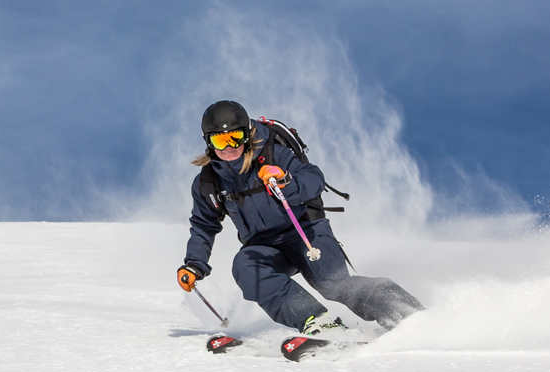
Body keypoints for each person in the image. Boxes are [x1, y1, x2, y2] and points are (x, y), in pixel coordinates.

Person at [176, 100, 422, 334]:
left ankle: (403, 310)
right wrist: (194, 264)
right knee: (246, 266)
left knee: (332, 283)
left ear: (247, 135)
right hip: (264, 247)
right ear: (208, 142)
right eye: (220, 139)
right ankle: (313, 320)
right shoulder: (208, 183)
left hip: (306, 232)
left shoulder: (274, 155)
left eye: (235, 137)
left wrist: (285, 180)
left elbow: (313, 179)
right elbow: (203, 225)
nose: (229, 146)